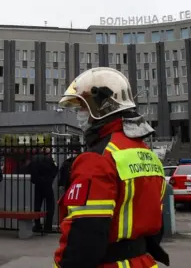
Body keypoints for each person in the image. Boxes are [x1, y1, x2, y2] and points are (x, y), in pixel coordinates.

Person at [54, 67, 170, 268]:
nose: (79, 115)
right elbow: (156, 226)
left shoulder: (97, 159)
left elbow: (85, 236)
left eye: (82, 108)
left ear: (100, 107)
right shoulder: (149, 156)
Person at [29, 147, 58, 233]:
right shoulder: (50, 160)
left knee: (37, 205)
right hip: (47, 185)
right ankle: (48, 226)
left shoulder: (35, 159)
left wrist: (36, 180)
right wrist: (50, 179)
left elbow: (32, 171)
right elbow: (55, 170)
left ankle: (37, 225)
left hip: (38, 185)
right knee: (50, 205)